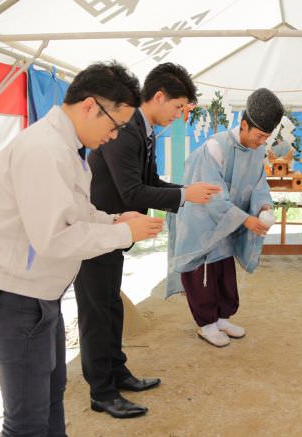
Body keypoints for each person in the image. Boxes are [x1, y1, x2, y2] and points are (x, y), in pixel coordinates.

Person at [0, 62, 164, 436]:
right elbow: (55, 238)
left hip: (37, 299)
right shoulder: (44, 150)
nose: (113, 136)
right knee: (26, 422)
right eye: (114, 126)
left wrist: (114, 222)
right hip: (16, 300)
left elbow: (77, 214)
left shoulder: (62, 147)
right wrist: (124, 234)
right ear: (90, 106)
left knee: (50, 400)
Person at [73, 63, 221, 418]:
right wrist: (185, 196)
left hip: (115, 232)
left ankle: (117, 371)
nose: (180, 115)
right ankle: (102, 391)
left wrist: (187, 193)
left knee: (110, 306)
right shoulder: (125, 130)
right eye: (178, 106)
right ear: (159, 97)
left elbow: (150, 180)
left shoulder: (143, 129)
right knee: (96, 312)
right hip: (95, 232)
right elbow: (132, 191)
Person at [172, 88, 283, 347]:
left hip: (228, 220)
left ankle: (221, 318)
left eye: (266, 137)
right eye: (258, 136)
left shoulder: (258, 150)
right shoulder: (215, 147)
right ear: (244, 125)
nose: (260, 142)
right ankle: (206, 324)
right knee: (204, 272)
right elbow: (211, 194)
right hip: (201, 220)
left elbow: (258, 185)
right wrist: (245, 220)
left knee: (223, 269)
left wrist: (264, 206)